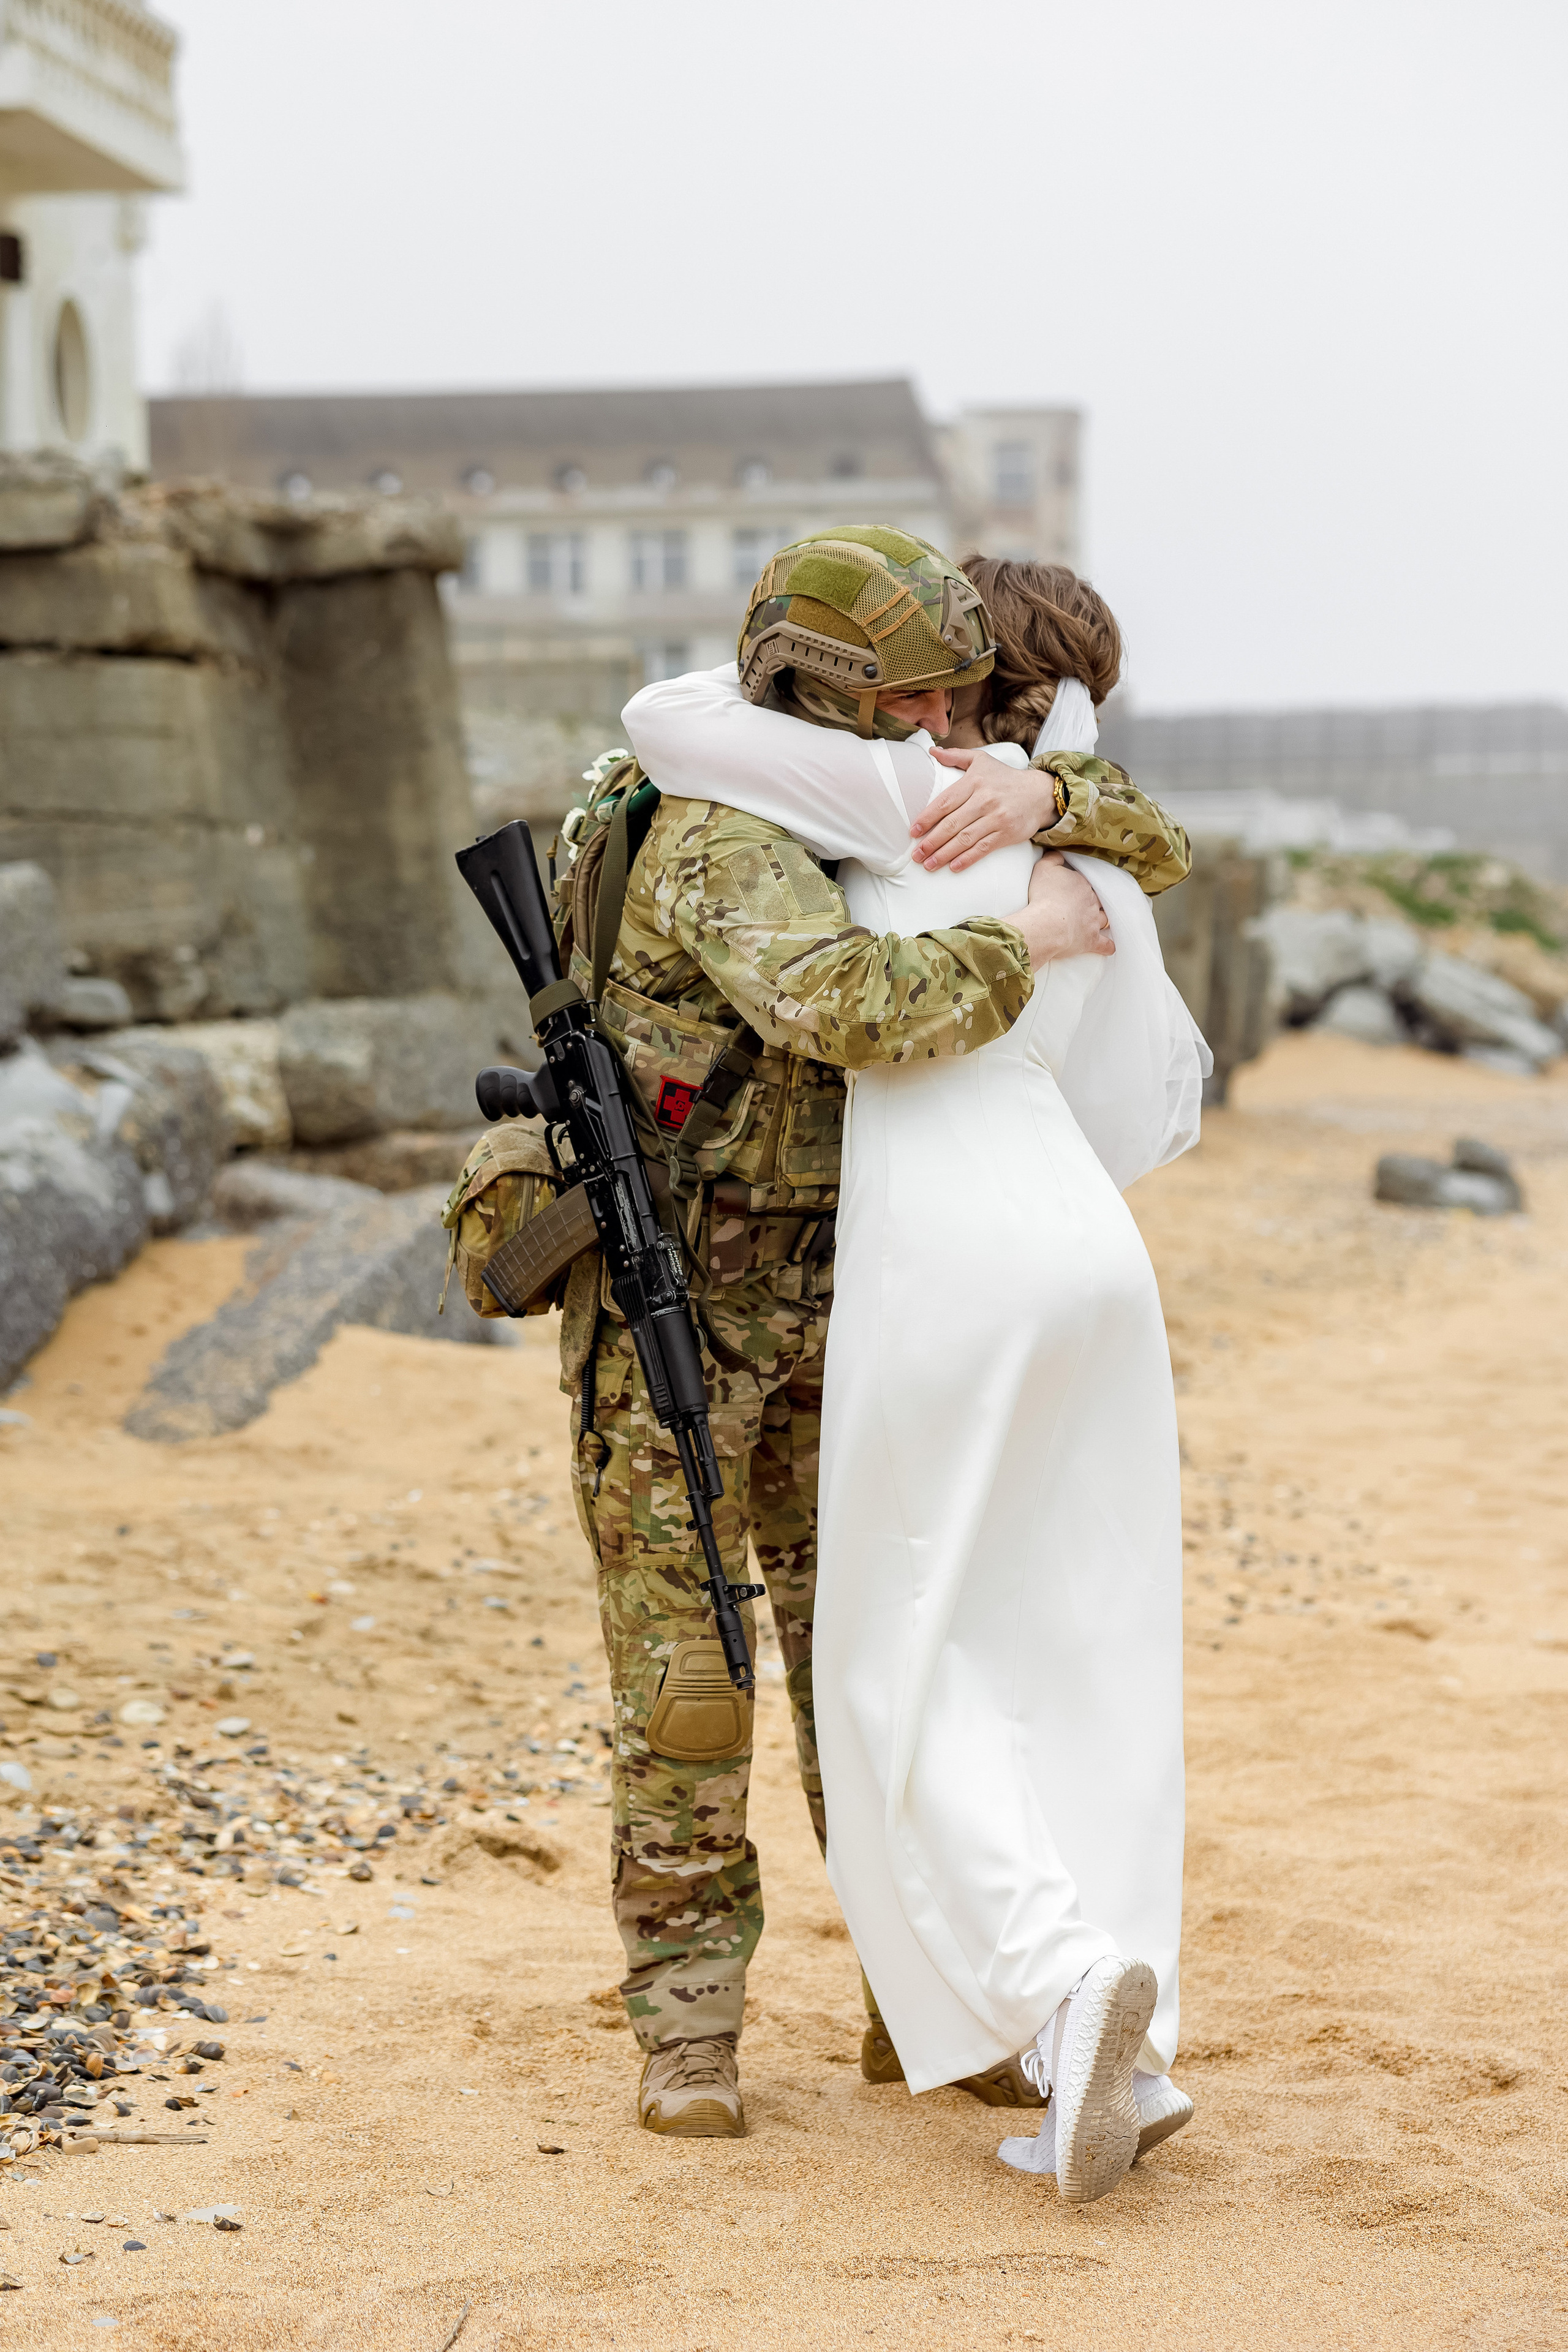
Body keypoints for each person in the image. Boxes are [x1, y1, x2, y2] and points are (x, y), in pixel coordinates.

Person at [538, 529, 1193, 2149]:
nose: (937, 729)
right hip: (681, 1305)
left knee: (881, 1667)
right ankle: (690, 2033)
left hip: (848, 1298)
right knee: (692, 1682)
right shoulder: (715, 830)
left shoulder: (846, 795)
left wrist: (1048, 796)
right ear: (816, 688)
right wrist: (1031, 930)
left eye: (952, 699)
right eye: (906, 701)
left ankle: (942, 2003)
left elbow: (1143, 826)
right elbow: (850, 1007)